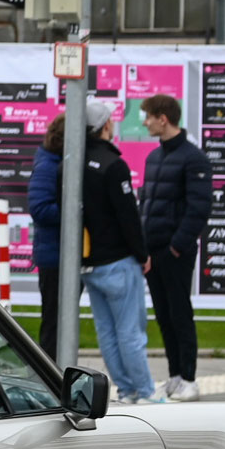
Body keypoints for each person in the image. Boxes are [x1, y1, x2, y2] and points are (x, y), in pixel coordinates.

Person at [76, 99, 160, 404]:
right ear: (105, 126)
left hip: (89, 262)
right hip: (118, 261)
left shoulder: (73, 161)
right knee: (130, 331)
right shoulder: (113, 165)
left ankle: (125, 391)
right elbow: (128, 216)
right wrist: (142, 253)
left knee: (107, 331)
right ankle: (145, 392)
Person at [137, 93, 211, 401]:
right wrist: (143, 247)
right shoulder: (154, 157)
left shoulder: (194, 158)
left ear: (163, 119)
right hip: (152, 253)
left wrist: (177, 248)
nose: (146, 123)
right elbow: (146, 203)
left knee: (180, 314)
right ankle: (175, 376)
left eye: (148, 117)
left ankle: (190, 378)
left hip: (175, 252)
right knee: (163, 316)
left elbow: (199, 208)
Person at [26, 116, 65, 356]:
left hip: (62, 253)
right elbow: (39, 209)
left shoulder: (57, 162)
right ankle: (49, 370)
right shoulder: (48, 166)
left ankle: (58, 367)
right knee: (53, 322)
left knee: (60, 320)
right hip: (54, 257)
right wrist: (76, 212)